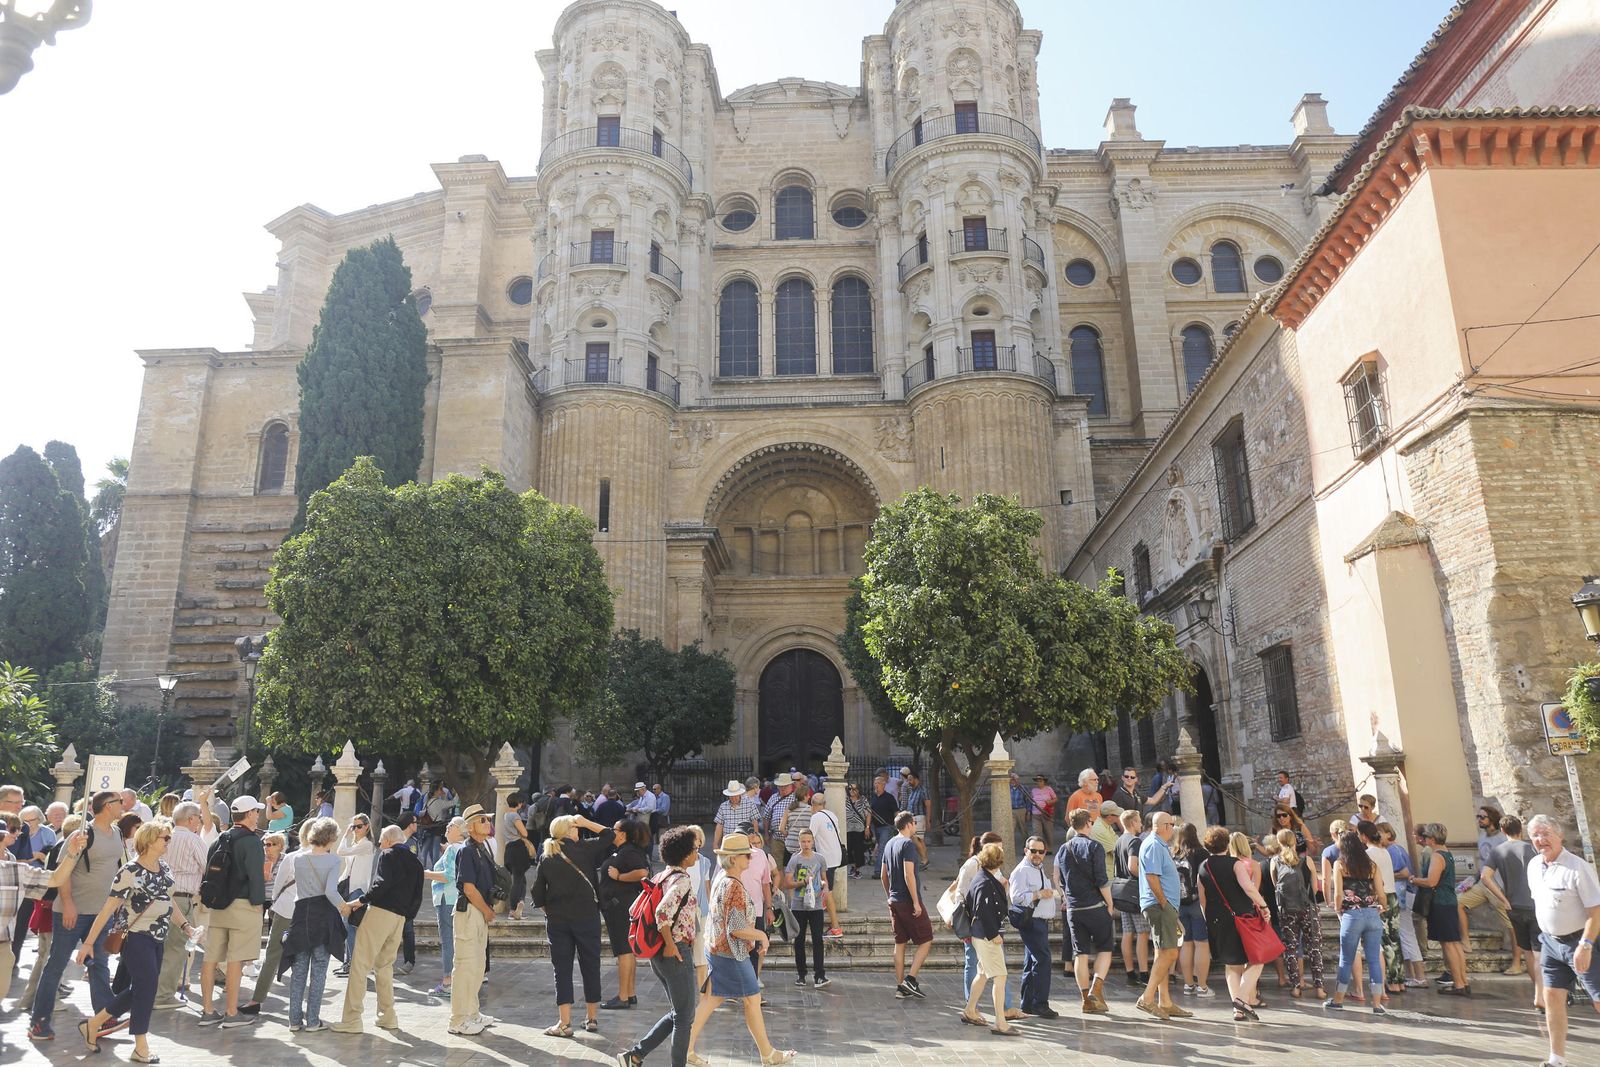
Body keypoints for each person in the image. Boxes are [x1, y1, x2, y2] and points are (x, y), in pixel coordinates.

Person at [76, 818, 190, 1062]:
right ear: (149, 840)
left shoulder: (164, 867)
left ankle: (93, 1024)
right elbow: (107, 910)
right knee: (146, 988)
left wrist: (185, 926)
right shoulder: (129, 871)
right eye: (165, 838)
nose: (169, 841)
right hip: (136, 936)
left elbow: (168, 900)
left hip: (159, 937)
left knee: (141, 988)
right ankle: (140, 1045)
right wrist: (88, 944)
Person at [684, 833, 796, 1065]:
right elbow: (735, 928)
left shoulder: (722, 879)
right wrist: (760, 934)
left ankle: (685, 1047)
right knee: (751, 1000)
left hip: (718, 950)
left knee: (711, 1001)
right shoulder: (733, 885)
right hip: (732, 954)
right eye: (746, 854)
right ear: (734, 859)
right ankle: (768, 1054)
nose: (750, 857)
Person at [28, 789, 124, 1043]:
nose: (123, 805)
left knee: (100, 965)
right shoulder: (82, 835)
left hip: (101, 913)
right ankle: (39, 1022)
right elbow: (64, 871)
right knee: (56, 965)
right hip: (73, 912)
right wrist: (68, 903)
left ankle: (103, 1018)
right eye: (118, 802)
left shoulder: (117, 834)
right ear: (106, 806)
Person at [617, 826, 702, 1067]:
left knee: (679, 1013)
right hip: (674, 951)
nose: (697, 853)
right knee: (684, 1017)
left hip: (660, 954)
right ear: (685, 854)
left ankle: (635, 1055)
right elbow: (662, 911)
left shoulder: (661, 876)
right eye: (695, 849)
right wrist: (671, 945)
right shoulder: (681, 880)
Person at [331, 824, 424, 1033]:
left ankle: (351, 1019)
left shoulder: (388, 854)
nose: (380, 845)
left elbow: (382, 884)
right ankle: (387, 1016)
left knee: (359, 964)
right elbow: (418, 895)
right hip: (400, 918)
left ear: (389, 840)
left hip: (381, 912)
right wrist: (406, 916)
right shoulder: (416, 862)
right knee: (384, 966)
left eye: (381, 841)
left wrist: (361, 900)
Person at [530, 810, 614, 1036]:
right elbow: (609, 835)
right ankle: (592, 1017)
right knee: (590, 965)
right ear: (569, 831)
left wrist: (549, 909)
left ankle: (564, 1022)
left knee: (562, 969)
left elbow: (537, 893)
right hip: (587, 917)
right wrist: (586, 821)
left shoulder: (547, 856)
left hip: (558, 920)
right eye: (575, 827)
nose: (579, 829)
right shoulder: (585, 849)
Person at [1526, 814, 1600, 1067]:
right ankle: (1556, 1059)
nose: (1540, 839)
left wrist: (1586, 945)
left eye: (1546, 833)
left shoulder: (1578, 867)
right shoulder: (1534, 865)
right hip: (1550, 943)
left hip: (1581, 942)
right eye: (1535, 835)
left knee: (1599, 1000)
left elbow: (1596, 911)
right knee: (1552, 998)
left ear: (1560, 836)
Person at [196, 795, 267, 1028]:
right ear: (248, 814)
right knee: (236, 959)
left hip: (218, 906)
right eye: (256, 811)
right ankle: (231, 1012)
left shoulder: (219, 839)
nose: (258, 814)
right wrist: (259, 904)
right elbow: (256, 876)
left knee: (210, 959)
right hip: (244, 905)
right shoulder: (252, 841)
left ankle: (207, 1011)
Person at [278, 816, 351, 1033]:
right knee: (319, 970)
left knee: (298, 970)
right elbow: (330, 891)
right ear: (330, 838)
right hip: (323, 917)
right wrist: (344, 906)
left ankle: (293, 1020)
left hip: (301, 915)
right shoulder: (334, 860)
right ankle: (312, 1021)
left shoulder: (298, 859)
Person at [1198, 824, 1270, 1022]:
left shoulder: (1203, 866)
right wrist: (1263, 906)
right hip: (1241, 917)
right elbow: (1248, 888)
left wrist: (1208, 919)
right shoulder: (1235, 864)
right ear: (1226, 844)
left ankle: (1238, 1009)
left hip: (1215, 919)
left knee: (1231, 965)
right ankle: (1240, 1000)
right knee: (1257, 959)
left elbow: (1202, 898)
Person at [953, 832, 1018, 1018]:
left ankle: (972, 1009)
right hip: (983, 930)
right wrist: (992, 933)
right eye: (999, 848)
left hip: (987, 930)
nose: (1002, 851)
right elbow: (976, 904)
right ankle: (996, 1017)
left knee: (983, 972)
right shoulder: (978, 873)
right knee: (991, 972)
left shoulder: (988, 873)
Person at [1319, 828, 1384, 1015]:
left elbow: (1338, 892)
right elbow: (1381, 892)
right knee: (1373, 960)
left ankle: (1338, 1000)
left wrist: (1338, 907)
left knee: (1346, 959)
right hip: (1372, 915)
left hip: (1352, 915)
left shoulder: (1340, 864)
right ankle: (1377, 1004)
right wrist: (1382, 906)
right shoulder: (1371, 866)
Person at [1055, 808, 1114, 1014]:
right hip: (1095, 906)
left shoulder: (1063, 849)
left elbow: (1061, 880)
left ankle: (1085, 999)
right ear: (1088, 823)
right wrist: (1110, 903)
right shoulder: (1094, 847)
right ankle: (1096, 988)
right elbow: (1101, 879)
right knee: (1105, 949)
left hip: (1074, 909)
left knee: (1080, 954)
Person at [1479, 814, 1541, 1007]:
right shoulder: (1532, 847)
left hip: (1513, 905)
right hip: (1535, 904)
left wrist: (1503, 898)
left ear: (1503, 831)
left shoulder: (1498, 851)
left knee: (1528, 953)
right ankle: (1545, 993)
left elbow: (1485, 877)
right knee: (1540, 951)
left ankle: (1538, 994)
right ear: (1520, 830)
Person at [447, 805, 499, 1037]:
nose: (488, 823)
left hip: (479, 912)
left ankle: (473, 1012)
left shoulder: (482, 848)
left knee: (477, 966)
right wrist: (487, 910)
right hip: (470, 912)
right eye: (483, 820)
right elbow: (468, 887)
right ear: (470, 826)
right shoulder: (467, 851)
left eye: (487, 819)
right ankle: (458, 1020)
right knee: (465, 966)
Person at [151, 801, 205, 1010]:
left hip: (158, 896)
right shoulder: (193, 839)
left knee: (161, 946)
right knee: (177, 947)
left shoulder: (165, 836)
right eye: (199, 817)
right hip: (181, 898)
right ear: (191, 819)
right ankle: (162, 995)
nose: (199, 822)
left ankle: (154, 991)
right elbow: (206, 865)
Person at [1135, 812, 1190, 1020]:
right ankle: (1147, 999)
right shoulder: (1153, 845)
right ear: (1164, 826)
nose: (1174, 828)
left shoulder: (1158, 845)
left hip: (1163, 906)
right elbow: (1151, 876)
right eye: (1172, 824)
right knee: (1170, 953)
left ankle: (1164, 1001)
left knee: (1162, 952)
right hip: (1159, 906)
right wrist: (1165, 903)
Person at [1412, 822, 1469, 994]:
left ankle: (1458, 984)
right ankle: (1463, 981)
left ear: (1431, 838)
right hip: (1450, 901)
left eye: (1427, 837)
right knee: (1455, 943)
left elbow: (1431, 881)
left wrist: (1413, 880)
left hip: (1441, 902)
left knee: (1448, 945)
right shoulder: (1447, 852)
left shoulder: (1437, 856)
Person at [241, 832, 295, 1015]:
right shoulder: (261, 858)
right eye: (266, 844)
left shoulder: (288, 859)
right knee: (261, 938)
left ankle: (258, 999)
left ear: (280, 845)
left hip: (279, 905)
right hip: (263, 901)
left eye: (271, 844)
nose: (267, 847)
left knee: (275, 948)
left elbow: (280, 885)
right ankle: (250, 964)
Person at [601, 819, 653, 1010]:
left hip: (620, 906)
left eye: (613, 829)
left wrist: (619, 877)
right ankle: (629, 993)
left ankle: (623, 996)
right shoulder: (625, 850)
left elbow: (642, 872)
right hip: (620, 905)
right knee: (627, 950)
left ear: (622, 834)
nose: (610, 831)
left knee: (624, 951)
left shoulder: (628, 851)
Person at [882, 811, 932, 999]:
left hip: (894, 900)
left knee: (900, 943)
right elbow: (908, 874)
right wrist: (916, 902)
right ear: (910, 824)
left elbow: (883, 875)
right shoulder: (907, 844)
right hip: (907, 900)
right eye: (915, 824)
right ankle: (910, 980)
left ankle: (900, 986)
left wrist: (889, 895)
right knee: (926, 939)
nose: (916, 827)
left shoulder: (889, 844)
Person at [1271, 827, 1325, 1000]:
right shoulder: (1306, 860)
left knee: (1291, 949)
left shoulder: (1275, 861)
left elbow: (1275, 886)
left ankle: (1295, 987)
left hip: (1287, 911)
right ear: (1295, 841)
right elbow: (1315, 888)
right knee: (1314, 948)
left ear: (1278, 842)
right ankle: (1320, 989)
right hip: (1307, 909)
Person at [1009, 834, 1058, 1018]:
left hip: (1040, 921)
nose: (1037, 854)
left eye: (1041, 851)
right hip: (1032, 922)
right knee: (1043, 961)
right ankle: (1040, 1004)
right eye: (1033, 851)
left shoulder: (1038, 868)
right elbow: (1016, 897)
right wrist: (1038, 894)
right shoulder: (1022, 871)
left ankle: (1028, 1003)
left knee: (1031, 962)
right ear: (1026, 851)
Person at [1457, 805, 1513, 960]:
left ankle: (1517, 959)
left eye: (1482, 817)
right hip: (1483, 884)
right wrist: (1472, 879)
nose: (1479, 820)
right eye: (1478, 817)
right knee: (1458, 903)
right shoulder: (1482, 838)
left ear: (1492, 819)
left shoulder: (1502, 838)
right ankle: (1466, 941)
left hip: (1499, 885)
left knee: (1510, 924)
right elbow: (1483, 863)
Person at [1354, 819, 1401, 997]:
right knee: (1394, 940)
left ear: (1364, 836)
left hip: (1380, 896)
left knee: (1383, 942)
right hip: (1393, 895)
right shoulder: (1384, 851)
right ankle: (1397, 980)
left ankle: (1387, 983)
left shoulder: (1369, 853)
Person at [782, 829, 833, 989]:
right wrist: (802, 883)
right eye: (803, 841)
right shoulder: (794, 859)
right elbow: (787, 883)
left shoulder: (820, 859)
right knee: (799, 940)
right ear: (799, 842)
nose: (806, 844)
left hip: (816, 904)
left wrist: (823, 887)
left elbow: (825, 880)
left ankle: (820, 975)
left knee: (818, 939)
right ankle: (801, 974)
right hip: (798, 904)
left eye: (808, 841)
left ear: (813, 842)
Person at [423, 816, 467, 996]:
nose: (447, 828)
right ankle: (457, 979)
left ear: (460, 830)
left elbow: (448, 875)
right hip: (455, 898)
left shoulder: (452, 850)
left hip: (445, 898)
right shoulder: (464, 849)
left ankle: (448, 981)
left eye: (451, 825)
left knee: (448, 940)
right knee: (455, 940)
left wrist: (426, 874)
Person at [332, 814, 376, 976]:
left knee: (350, 927)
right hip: (350, 889)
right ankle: (348, 963)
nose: (356, 830)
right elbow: (347, 868)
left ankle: (352, 965)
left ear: (367, 827)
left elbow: (340, 851)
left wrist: (345, 835)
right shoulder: (358, 844)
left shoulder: (366, 845)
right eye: (354, 826)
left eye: (358, 826)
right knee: (348, 927)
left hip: (358, 890)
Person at [1174, 821, 1213, 997]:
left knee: (1186, 944)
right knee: (1202, 944)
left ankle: (1188, 984)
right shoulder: (1201, 853)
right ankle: (1202, 986)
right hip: (1198, 902)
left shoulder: (1174, 853)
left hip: (1180, 903)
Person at [734, 821, 775, 978]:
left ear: (751, 836)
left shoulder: (760, 855)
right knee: (735, 951)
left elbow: (766, 884)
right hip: (735, 910)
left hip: (756, 911)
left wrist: (769, 908)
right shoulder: (729, 856)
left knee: (754, 951)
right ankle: (735, 988)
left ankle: (752, 988)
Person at [1114, 808, 1150, 986]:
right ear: (1133, 823)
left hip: (1122, 891)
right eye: (1139, 820)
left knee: (1128, 933)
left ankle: (1130, 972)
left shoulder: (1119, 840)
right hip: (1135, 892)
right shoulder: (1135, 841)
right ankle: (1144, 973)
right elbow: (1132, 866)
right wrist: (1146, 877)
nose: (1141, 823)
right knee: (1142, 933)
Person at [804, 792, 844, 935]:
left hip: (825, 859)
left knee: (827, 892)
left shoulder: (816, 817)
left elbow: (809, 837)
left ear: (812, 805)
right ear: (825, 804)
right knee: (824, 891)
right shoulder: (831, 815)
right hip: (835, 858)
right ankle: (830, 925)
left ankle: (835, 927)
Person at [500, 792, 533, 919]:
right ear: (519, 803)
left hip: (509, 849)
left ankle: (520, 902)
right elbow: (524, 833)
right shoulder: (515, 816)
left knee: (520, 880)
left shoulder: (506, 815)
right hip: (517, 848)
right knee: (518, 880)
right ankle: (513, 909)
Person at [713, 778, 761, 851]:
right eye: (731, 796)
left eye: (735, 795)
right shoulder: (723, 806)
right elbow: (719, 825)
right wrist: (715, 843)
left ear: (739, 794)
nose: (733, 798)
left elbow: (755, 823)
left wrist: (755, 840)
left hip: (745, 843)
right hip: (728, 843)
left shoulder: (750, 804)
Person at [868, 774, 898, 875]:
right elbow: (869, 812)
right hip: (875, 827)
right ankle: (889, 868)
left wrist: (898, 825)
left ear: (883, 785)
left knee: (881, 848)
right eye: (875, 783)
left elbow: (896, 812)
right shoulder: (873, 798)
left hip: (886, 827)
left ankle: (878, 871)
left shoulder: (889, 798)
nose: (876, 785)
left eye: (878, 783)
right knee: (885, 849)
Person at [903, 771, 931, 867]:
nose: (909, 781)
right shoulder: (912, 791)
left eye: (910, 779)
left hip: (919, 817)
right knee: (920, 840)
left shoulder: (923, 790)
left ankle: (924, 859)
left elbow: (928, 805)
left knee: (914, 838)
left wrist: (928, 821)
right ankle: (924, 860)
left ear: (916, 779)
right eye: (908, 780)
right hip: (913, 817)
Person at [844, 783, 870, 878]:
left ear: (858, 790)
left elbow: (868, 814)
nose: (851, 791)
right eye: (850, 789)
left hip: (859, 829)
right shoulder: (846, 800)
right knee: (849, 849)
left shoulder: (863, 800)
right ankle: (853, 867)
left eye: (854, 789)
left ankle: (857, 869)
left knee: (858, 850)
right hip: (848, 828)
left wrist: (867, 827)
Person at [1029, 775, 1058, 848]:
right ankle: (1039, 847)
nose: (1039, 782)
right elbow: (1030, 801)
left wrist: (1050, 802)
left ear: (1044, 782)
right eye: (1037, 781)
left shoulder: (1048, 789)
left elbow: (1055, 799)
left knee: (1048, 832)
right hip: (1035, 814)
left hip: (1046, 813)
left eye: (1040, 781)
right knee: (1036, 831)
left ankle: (1049, 848)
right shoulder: (1033, 790)